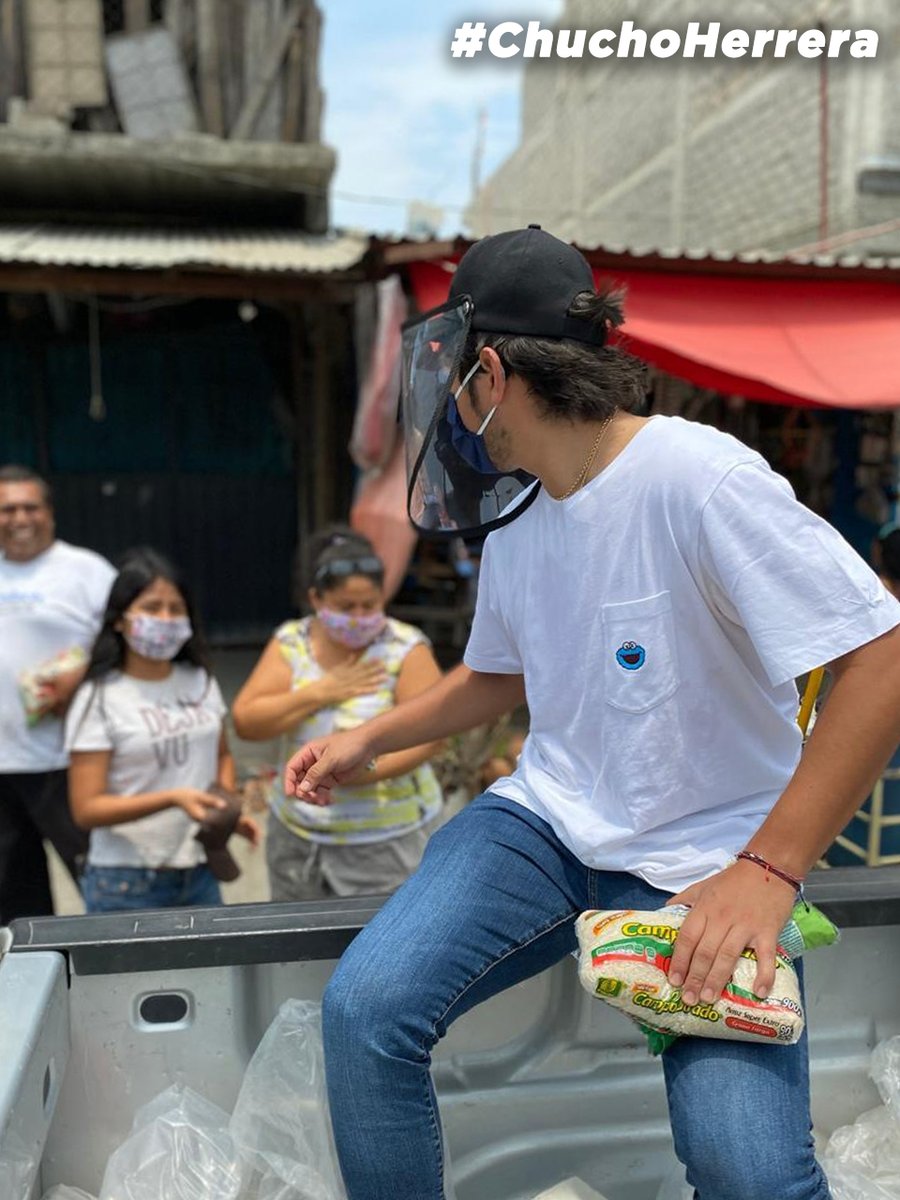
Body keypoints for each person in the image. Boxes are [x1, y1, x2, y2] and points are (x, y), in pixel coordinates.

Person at [285, 226, 900, 1200]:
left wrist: (770, 871)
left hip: (713, 852)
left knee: (749, 1174)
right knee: (366, 1011)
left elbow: (882, 656)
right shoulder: (521, 508)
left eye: (455, 378)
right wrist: (371, 736)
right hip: (547, 819)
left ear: (489, 373)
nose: (449, 404)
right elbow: (496, 675)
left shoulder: (701, 479)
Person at [232, 527, 444, 900]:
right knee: (298, 950)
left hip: (385, 842)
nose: (359, 616)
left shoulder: (404, 647)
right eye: (347, 607)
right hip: (298, 838)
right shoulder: (292, 642)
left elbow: (433, 737)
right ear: (316, 598)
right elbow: (247, 721)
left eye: (370, 605)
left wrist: (361, 770)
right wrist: (323, 691)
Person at [66, 548, 258, 913]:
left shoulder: (199, 680)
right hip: (127, 881)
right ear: (119, 619)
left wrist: (225, 809)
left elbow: (221, 755)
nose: (166, 619)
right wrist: (173, 798)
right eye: (152, 608)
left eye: (176, 608)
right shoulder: (99, 698)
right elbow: (87, 809)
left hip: (200, 870)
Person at [0, 464, 115, 924]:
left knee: (100, 882)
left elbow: (123, 643)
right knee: (15, 898)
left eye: (30, 506)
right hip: (2, 767)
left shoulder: (86, 571)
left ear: (49, 513)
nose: (19, 518)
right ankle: (40, 983)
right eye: (7, 509)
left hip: (70, 761)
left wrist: (82, 676)